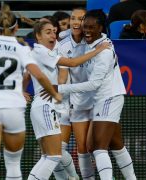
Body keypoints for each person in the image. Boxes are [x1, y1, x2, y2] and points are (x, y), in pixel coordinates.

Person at [0, 5, 62, 179]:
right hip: (13, 108)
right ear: (16, 28)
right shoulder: (21, 50)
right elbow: (39, 75)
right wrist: (55, 94)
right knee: (14, 162)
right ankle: (1, 161)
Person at [57, 10, 137, 180]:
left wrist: (60, 89)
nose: (86, 30)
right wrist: (65, 31)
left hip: (108, 98)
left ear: (101, 28)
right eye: (84, 26)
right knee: (116, 145)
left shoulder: (105, 51)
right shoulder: (90, 40)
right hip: (98, 100)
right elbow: (69, 32)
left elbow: (94, 84)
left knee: (98, 147)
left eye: (91, 27)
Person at [28, 21, 110, 180]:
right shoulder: (40, 52)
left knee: (52, 154)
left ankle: (72, 178)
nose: (53, 35)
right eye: (48, 32)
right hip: (45, 105)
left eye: (54, 31)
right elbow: (72, 63)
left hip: (46, 106)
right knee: (53, 156)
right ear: (38, 36)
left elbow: (28, 73)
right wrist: (97, 50)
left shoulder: (50, 49)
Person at [57, 7, 97, 180]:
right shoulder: (63, 45)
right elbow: (63, 75)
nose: (75, 22)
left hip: (90, 102)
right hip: (68, 102)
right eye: (73, 18)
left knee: (84, 148)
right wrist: (58, 94)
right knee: (56, 150)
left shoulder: (94, 44)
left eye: (80, 19)